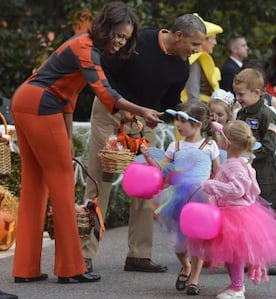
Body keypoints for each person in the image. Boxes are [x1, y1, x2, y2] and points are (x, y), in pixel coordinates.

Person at [10, 1, 163, 283]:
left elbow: (69, 96)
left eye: (125, 38)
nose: (120, 42)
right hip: (42, 105)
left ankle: (26, 269)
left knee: (35, 186)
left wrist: (67, 137)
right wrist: (142, 111)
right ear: (105, 27)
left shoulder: (84, 47)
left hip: (27, 101)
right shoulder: (85, 47)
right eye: (118, 35)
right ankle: (71, 269)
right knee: (62, 184)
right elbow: (104, 92)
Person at [81, 14, 207, 273]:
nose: (196, 51)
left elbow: (170, 103)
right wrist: (121, 105)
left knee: (147, 186)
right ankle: (83, 253)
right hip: (111, 111)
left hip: (144, 121)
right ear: (178, 35)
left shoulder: (182, 67)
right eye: (194, 44)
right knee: (99, 181)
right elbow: (105, 73)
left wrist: (191, 121)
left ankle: (138, 255)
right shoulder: (140, 41)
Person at [188, 120, 276, 299]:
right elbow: (254, 189)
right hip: (234, 212)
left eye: (220, 136)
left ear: (227, 142)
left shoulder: (233, 165)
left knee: (234, 254)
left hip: (234, 214)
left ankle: (237, 288)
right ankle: (236, 284)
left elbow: (238, 189)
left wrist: (213, 185)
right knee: (231, 254)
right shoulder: (239, 162)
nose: (217, 138)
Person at [141, 101, 220, 296]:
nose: (178, 124)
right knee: (179, 243)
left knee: (198, 240)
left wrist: (216, 192)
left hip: (201, 198)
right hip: (178, 199)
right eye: (177, 120)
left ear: (198, 124)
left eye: (183, 120)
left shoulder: (210, 146)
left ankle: (194, 278)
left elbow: (217, 171)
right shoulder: (175, 145)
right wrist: (149, 158)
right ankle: (185, 265)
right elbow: (162, 168)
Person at [233, 68, 276, 275]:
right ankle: (252, 256)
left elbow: (269, 148)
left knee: (270, 213)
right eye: (236, 94)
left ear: (257, 92)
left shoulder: (267, 115)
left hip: (264, 173)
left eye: (241, 94)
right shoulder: (241, 113)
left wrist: (247, 154)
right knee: (249, 214)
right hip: (245, 173)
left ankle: (272, 258)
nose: (238, 98)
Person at [181, 14, 223, 103]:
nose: (215, 43)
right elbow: (193, 95)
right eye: (213, 39)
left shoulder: (201, 60)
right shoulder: (195, 62)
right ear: (203, 41)